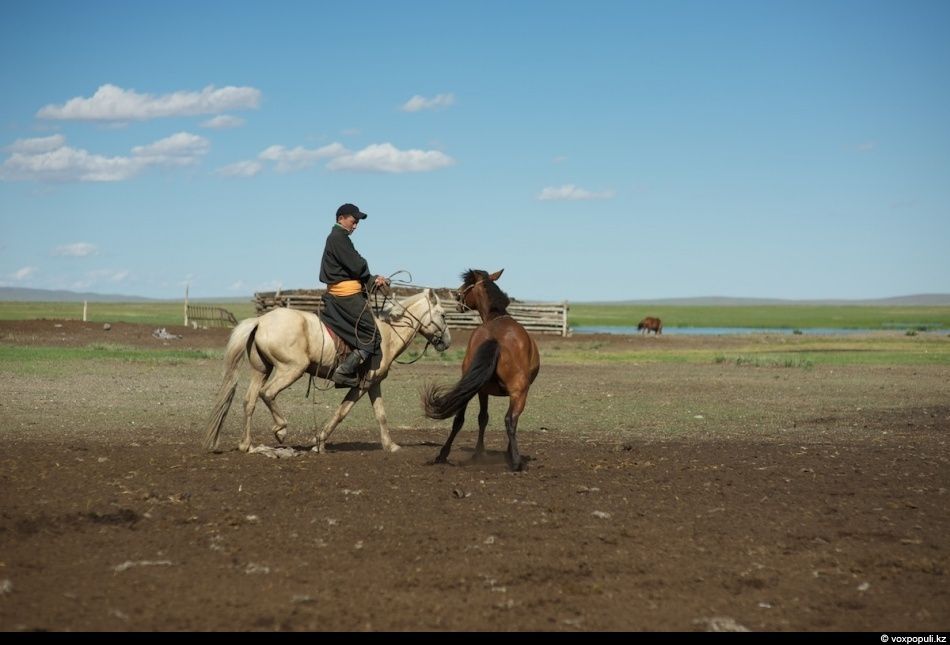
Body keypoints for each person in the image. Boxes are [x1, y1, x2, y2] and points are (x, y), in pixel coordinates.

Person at [320, 203, 389, 387]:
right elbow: (357, 265)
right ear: (341, 218)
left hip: (344, 293)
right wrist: (372, 278)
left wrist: (373, 279)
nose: (356, 226)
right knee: (372, 334)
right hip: (346, 297)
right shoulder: (338, 237)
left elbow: (353, 268)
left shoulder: (339, 237)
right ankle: (344, 372)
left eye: (357, 222)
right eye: (354, 221)